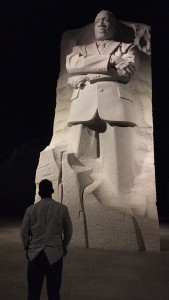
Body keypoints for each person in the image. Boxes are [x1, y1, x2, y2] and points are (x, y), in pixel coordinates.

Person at [66, 10, 139, 128]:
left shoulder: (128, 48)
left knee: (115, 144)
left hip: (115, 104)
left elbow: (125, 73)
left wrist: (86, 75)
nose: (101, 24)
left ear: (115, 28)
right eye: (97, 22)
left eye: (106, 21)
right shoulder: (79, 50)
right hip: (82, 102)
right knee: (80, 142)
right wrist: (112, 59)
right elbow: (72, 65)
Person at [20, 179, 73, 300]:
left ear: (39, 193)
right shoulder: (62, 208)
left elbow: (23, 232)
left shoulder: (30, 209)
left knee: (33, 293)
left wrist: (27, 246)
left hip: (35, 255)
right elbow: (69, 230)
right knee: (54, 293)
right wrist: (64, 246)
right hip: (55, 254)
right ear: (52, 191)